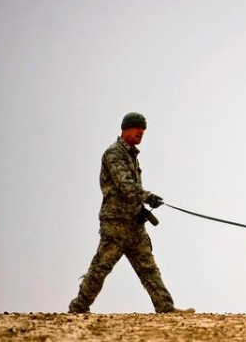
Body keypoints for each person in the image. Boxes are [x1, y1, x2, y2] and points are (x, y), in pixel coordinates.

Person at [68, 112, 193, 314]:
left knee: (149, 268)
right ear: (125, 129)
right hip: (116, 225)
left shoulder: (131, 155)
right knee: (100, 268)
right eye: (137, 128)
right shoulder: (114, 154)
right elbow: (125, 186)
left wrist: (142, 205)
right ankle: (78, 307)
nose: (140, 133)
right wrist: (148, 196)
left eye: (143, 130)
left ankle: (165, 307)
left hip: (134, 223)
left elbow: (130, 190)